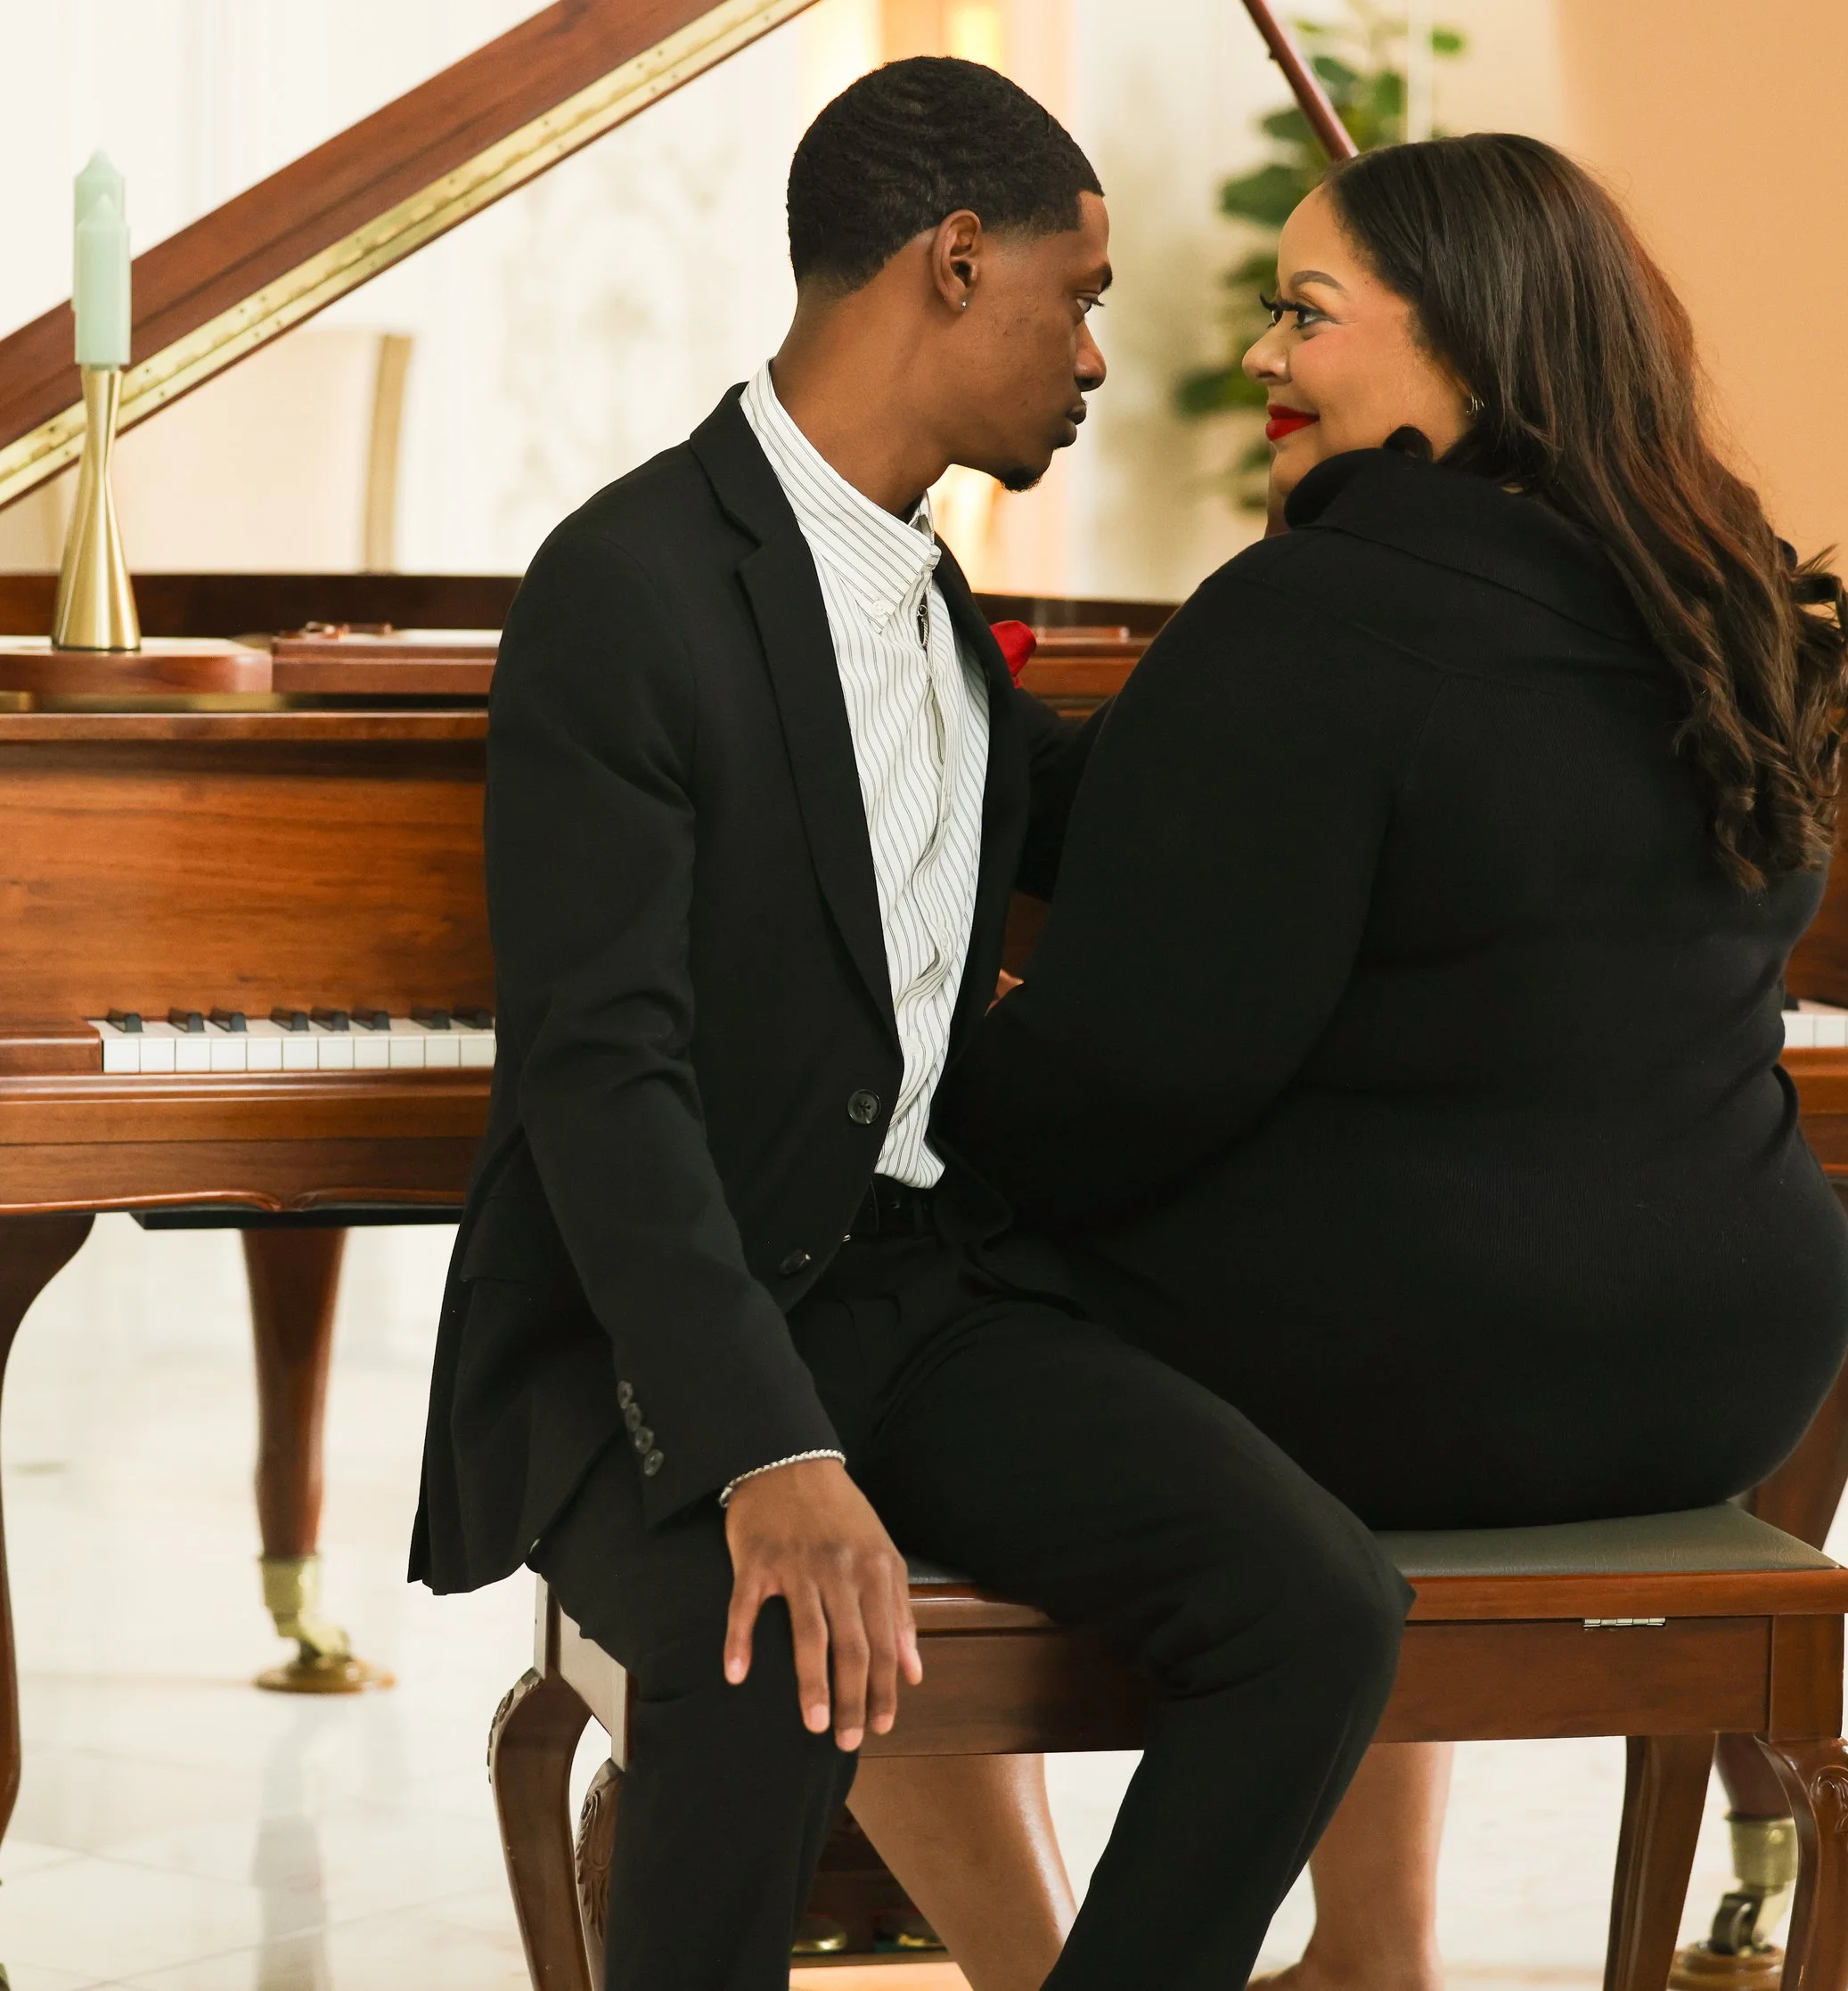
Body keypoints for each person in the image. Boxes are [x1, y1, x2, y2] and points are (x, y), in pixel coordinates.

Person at [410, 58, 1412, 1991]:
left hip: (913, 1294)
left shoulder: (936, 604)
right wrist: (761, 1454)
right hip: (653, 1331)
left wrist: (1377, 579)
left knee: (1315, 1603)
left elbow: (1153, 826)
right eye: (1079, 296)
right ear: (957, 262)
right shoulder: (624, 588)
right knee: (767, 1654)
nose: (1098, 357)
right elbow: (604, 1078)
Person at [846, 133, 1848, 1991]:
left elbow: (1126, 1084)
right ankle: (1369, 1957)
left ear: (1467, 343)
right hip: (1722, 1362)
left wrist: (898, 1109)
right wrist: (943, 681)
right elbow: (1195, 814)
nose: (1260, 356)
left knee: (827, 1354)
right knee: (1336, 1254)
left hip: (1423, 1367)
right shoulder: (1717, 598)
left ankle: (1036, 1966)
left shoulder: (1323, 613)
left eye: (1304, 316)